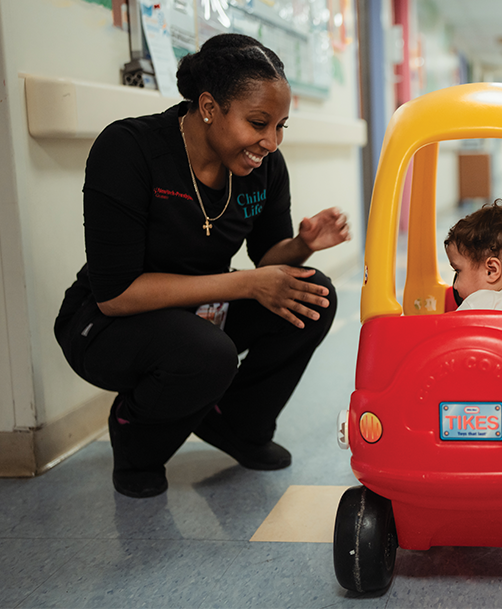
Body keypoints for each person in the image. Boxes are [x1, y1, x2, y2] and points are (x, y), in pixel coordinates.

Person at [54, 34, 350, 499]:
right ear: (209, 107)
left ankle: (236, 424)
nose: (270, 142)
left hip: (198, 313)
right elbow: (116, 294)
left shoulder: (264, 167)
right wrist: (247, 285)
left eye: (280, 127)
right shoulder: (128, 149)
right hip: (105, 323)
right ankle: (136, 438)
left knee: (314, 295)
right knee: (208, 353)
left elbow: (266, 259)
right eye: (258, 123)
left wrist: (301, 246)